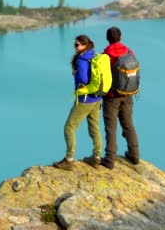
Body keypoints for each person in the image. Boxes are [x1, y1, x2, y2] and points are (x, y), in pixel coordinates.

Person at [53, 35, 103, 171]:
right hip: (97, 98)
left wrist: (75, 73)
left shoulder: (82, 59)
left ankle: (69, 159)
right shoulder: (95, 55)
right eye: (74, 44)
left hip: (85, 100)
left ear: (84, 45)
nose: (75, 47)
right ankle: (97, 157)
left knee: (69, 127)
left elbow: (85, 79)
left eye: (77, 45)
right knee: (94, 127)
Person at [101, 26, 140, 169]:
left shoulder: (105, 56)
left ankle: (110, 160)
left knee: (111, 128)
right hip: (127, 94)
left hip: (111, 97)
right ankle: (134, 155)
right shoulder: (129, 52)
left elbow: (102, 77)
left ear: (107, 39)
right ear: (121, 37)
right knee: (129, 125)